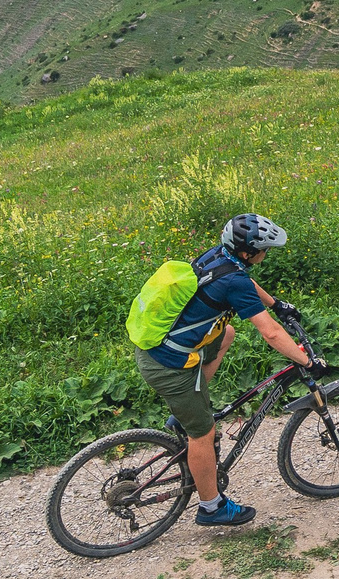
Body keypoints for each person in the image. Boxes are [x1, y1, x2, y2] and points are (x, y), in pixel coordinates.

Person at [136, 212, 318, 526]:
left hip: (156, 346)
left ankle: (186, 413)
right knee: (204, 433)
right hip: (168, 365)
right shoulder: (234, 281)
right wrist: (307, 361)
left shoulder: (219, 256)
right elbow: (271, 333)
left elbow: (243, 279)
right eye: (264, 250)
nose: (266, 255)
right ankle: (211, 507)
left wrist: (276, 304)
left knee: (227, 334)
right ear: (249, 253)